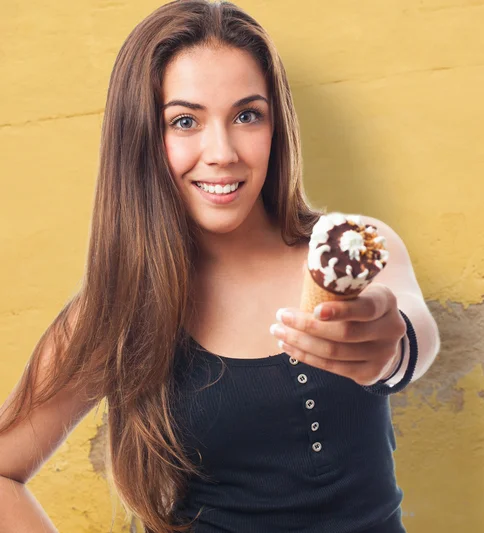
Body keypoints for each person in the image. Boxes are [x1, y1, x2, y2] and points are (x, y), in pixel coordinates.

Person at [0, 1, 440, 532]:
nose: (222, 151)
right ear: (141, 137)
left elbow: (412, 331)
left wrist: (385, 348)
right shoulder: (115, 309)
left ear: (276, 126)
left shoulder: (349, 247)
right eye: (185, 121)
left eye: (246, 115)